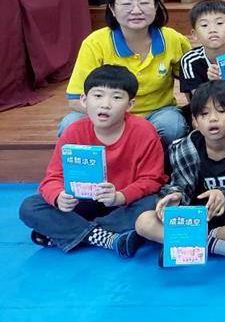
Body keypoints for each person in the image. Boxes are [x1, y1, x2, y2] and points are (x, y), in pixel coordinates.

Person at [21, 65, 164, 258]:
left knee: (153, 203)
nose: (105, 104)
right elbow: (53, 177)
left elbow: (152, 180)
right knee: (30, 206)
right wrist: (58, 196)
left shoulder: (144, 131)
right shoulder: (73, 131)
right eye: (98, 96)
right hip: (82, 202)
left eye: (116, 97)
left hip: (122, 203)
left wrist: (120, 196)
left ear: (130, 105)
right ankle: (107, 238)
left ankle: (68, 232)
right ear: (84, 100)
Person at [135, 81, 225, 267]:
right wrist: (175, 197)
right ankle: (221, 247)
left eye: (221, 111)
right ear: (195, 122)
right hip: (196, 219)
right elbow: (179, 186)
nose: (212, 119)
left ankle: (185, 243)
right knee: (143, 222)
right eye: (204, 114)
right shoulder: (185, 147)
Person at [60, 0, 191, 146]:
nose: (136, 10)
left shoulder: (173, 39)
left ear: (156, 6)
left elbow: (191, 81)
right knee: (70, 124)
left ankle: (159, 163)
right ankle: (99, 163)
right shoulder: (95, 43)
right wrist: (117, 120)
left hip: (157, 114)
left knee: (172, 125)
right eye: (126, 3)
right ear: (113, 9)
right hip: (107, 115)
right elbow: (76, 98)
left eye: (144, 2)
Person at [179, 0, 225, 100]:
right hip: (205, 106)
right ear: (194, 34)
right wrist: (214, 84)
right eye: (204, 25)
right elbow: (197, 99)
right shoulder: (189, 60)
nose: (212, 30)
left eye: (219, 23)